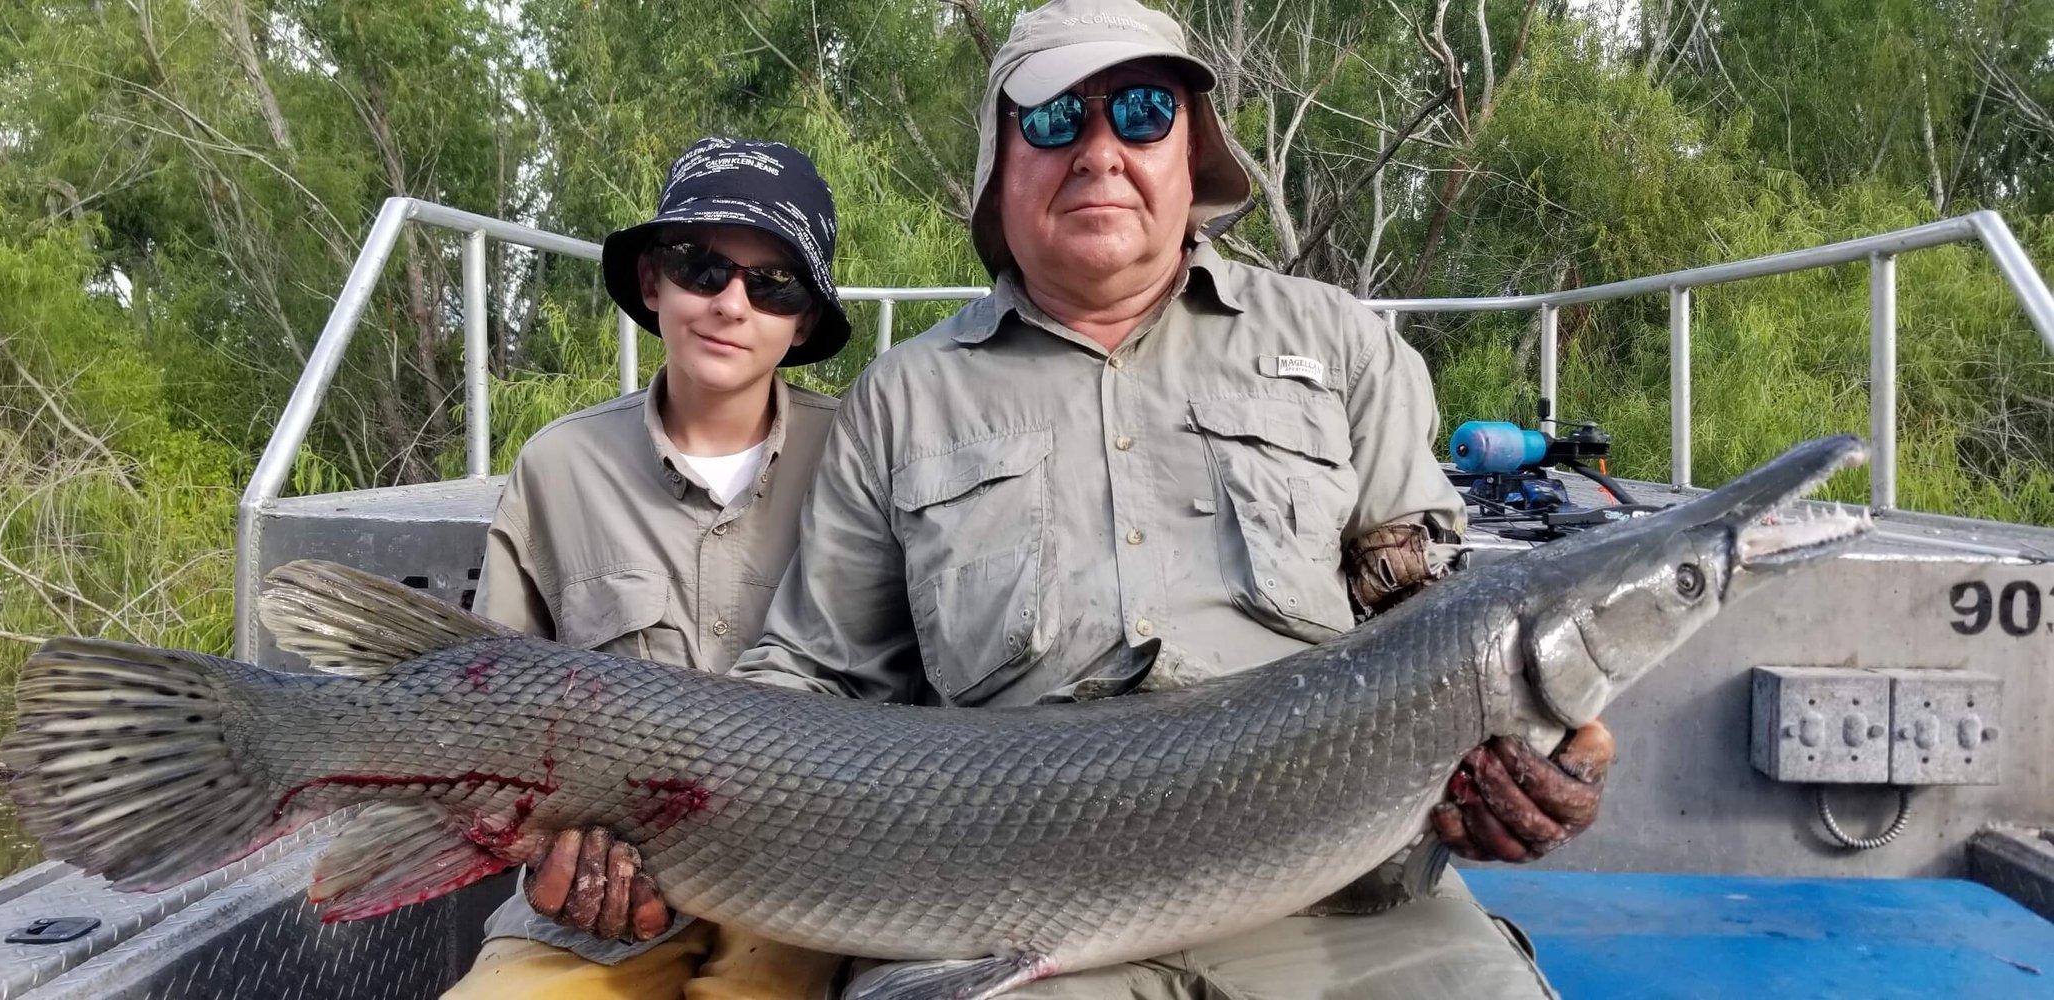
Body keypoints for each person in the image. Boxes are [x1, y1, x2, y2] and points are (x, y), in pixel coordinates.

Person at [530, 1, 1616, 996]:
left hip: (1351, 911)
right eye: (1053, 118)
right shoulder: (902, 398)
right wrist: (649, 819)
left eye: (1141, 112)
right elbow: (807, 680)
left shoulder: (1341, 347)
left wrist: (1535, 760)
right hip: (1013, 923)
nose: (1099, 149)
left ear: (1191, 152)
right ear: (999, 168)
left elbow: (1429, 633)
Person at [442, 136, 854, 1000]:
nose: (731, 303)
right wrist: (553, 853)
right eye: (701, 267)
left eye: (772, 283)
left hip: (813, 895)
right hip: (594, 906)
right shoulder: (558, 468)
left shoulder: (862, 454)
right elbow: (487, 716)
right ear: (652, 283)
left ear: (804, 319)